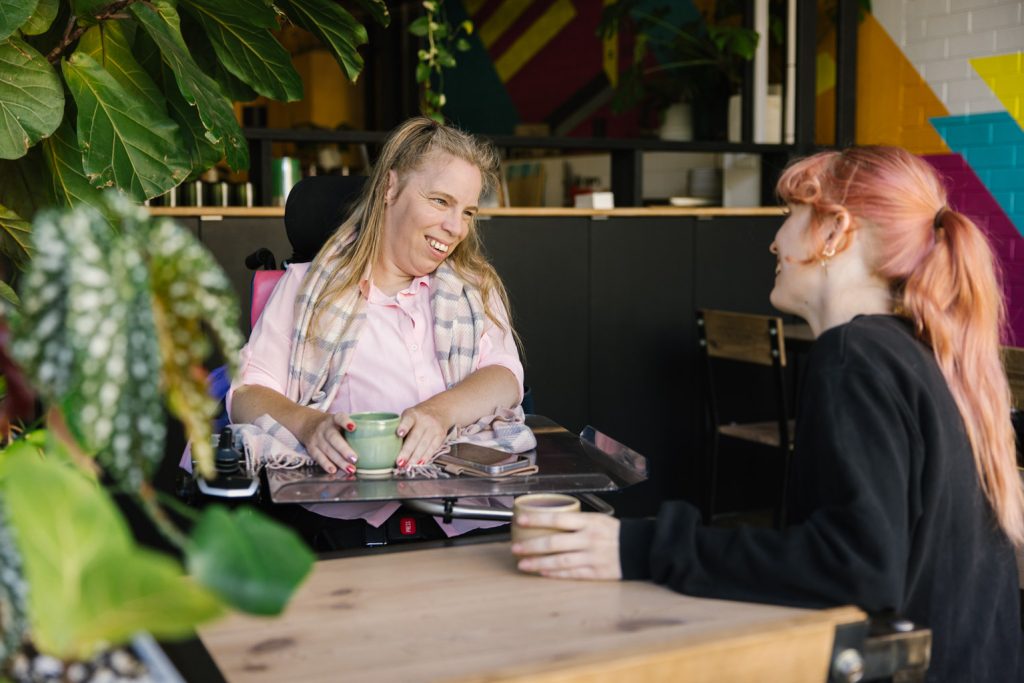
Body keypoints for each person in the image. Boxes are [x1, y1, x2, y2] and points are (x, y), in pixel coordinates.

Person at [512, 146, 1023, 681]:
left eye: (790, 216)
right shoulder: (918, 352)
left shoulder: (854, 356)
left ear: (834, 233)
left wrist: (639, 548)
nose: (775, 240)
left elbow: (858, 569)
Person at [229, 117, 528, 540]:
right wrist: (310, 424)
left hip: (464, 511)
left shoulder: (473, 289)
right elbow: (246, 395)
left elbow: (505, 378)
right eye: (441, 201)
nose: (456, 228)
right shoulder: (305, 288)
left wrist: (438, 413)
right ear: (390, 188)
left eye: (467, 212)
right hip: (343, 517)